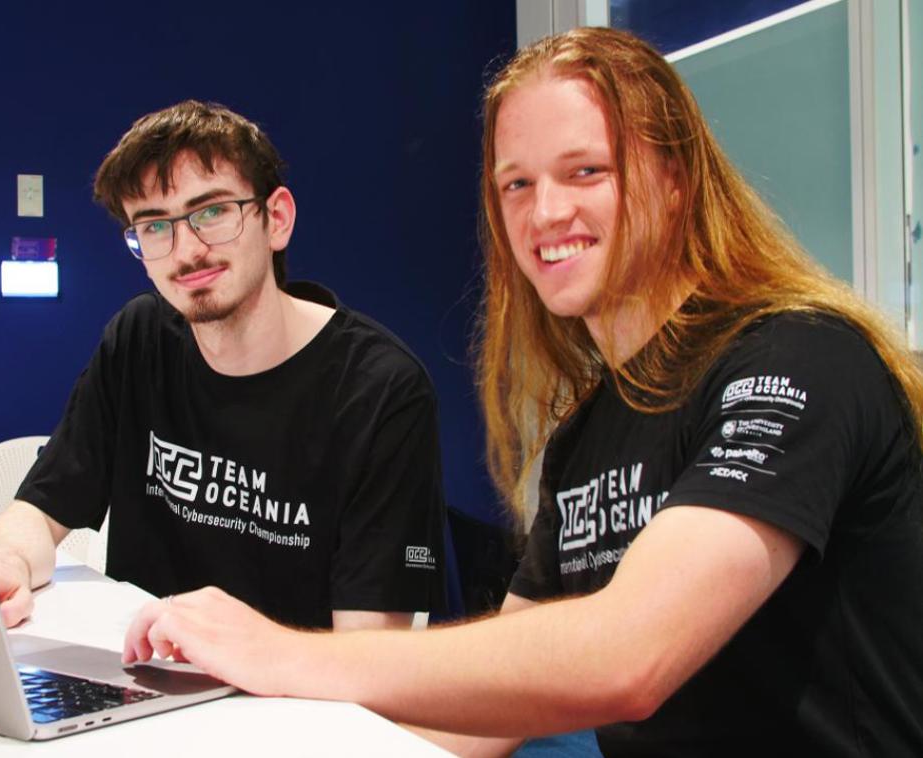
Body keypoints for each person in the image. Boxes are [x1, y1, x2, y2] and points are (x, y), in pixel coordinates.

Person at [120, 28, 923, 756]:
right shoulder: (587, 434)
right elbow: (495, 709)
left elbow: (627, 655)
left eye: (586, 172)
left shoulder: (802, 359)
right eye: (516, 185)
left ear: (675, 182)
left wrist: (277, 650)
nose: (547, 212)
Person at [0, 100, 446, 634]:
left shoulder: (381, 391)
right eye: (155, 227)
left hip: (291, 708)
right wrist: (4, 566)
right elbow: (39, 511)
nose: (187, 251)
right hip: (141, 686)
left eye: (212, 212)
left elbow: (368, 655)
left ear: (277, 220)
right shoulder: (139, 340)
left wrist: (229, 649)